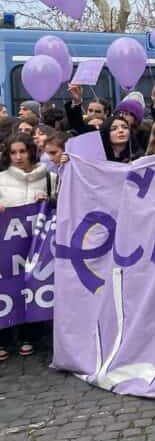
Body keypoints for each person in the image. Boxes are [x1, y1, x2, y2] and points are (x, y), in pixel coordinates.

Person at [0, 134, 56, 360]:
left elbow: (62, 202)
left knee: (33, 285)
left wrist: (50, 201)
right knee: (7, 287)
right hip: (8, 249)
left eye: (22, 151)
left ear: (32, 151)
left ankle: (30, 336)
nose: (18, 157)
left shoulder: (50, 177)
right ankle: (3, 339)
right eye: (13, 153)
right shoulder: (1, 179)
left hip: (36, 246)